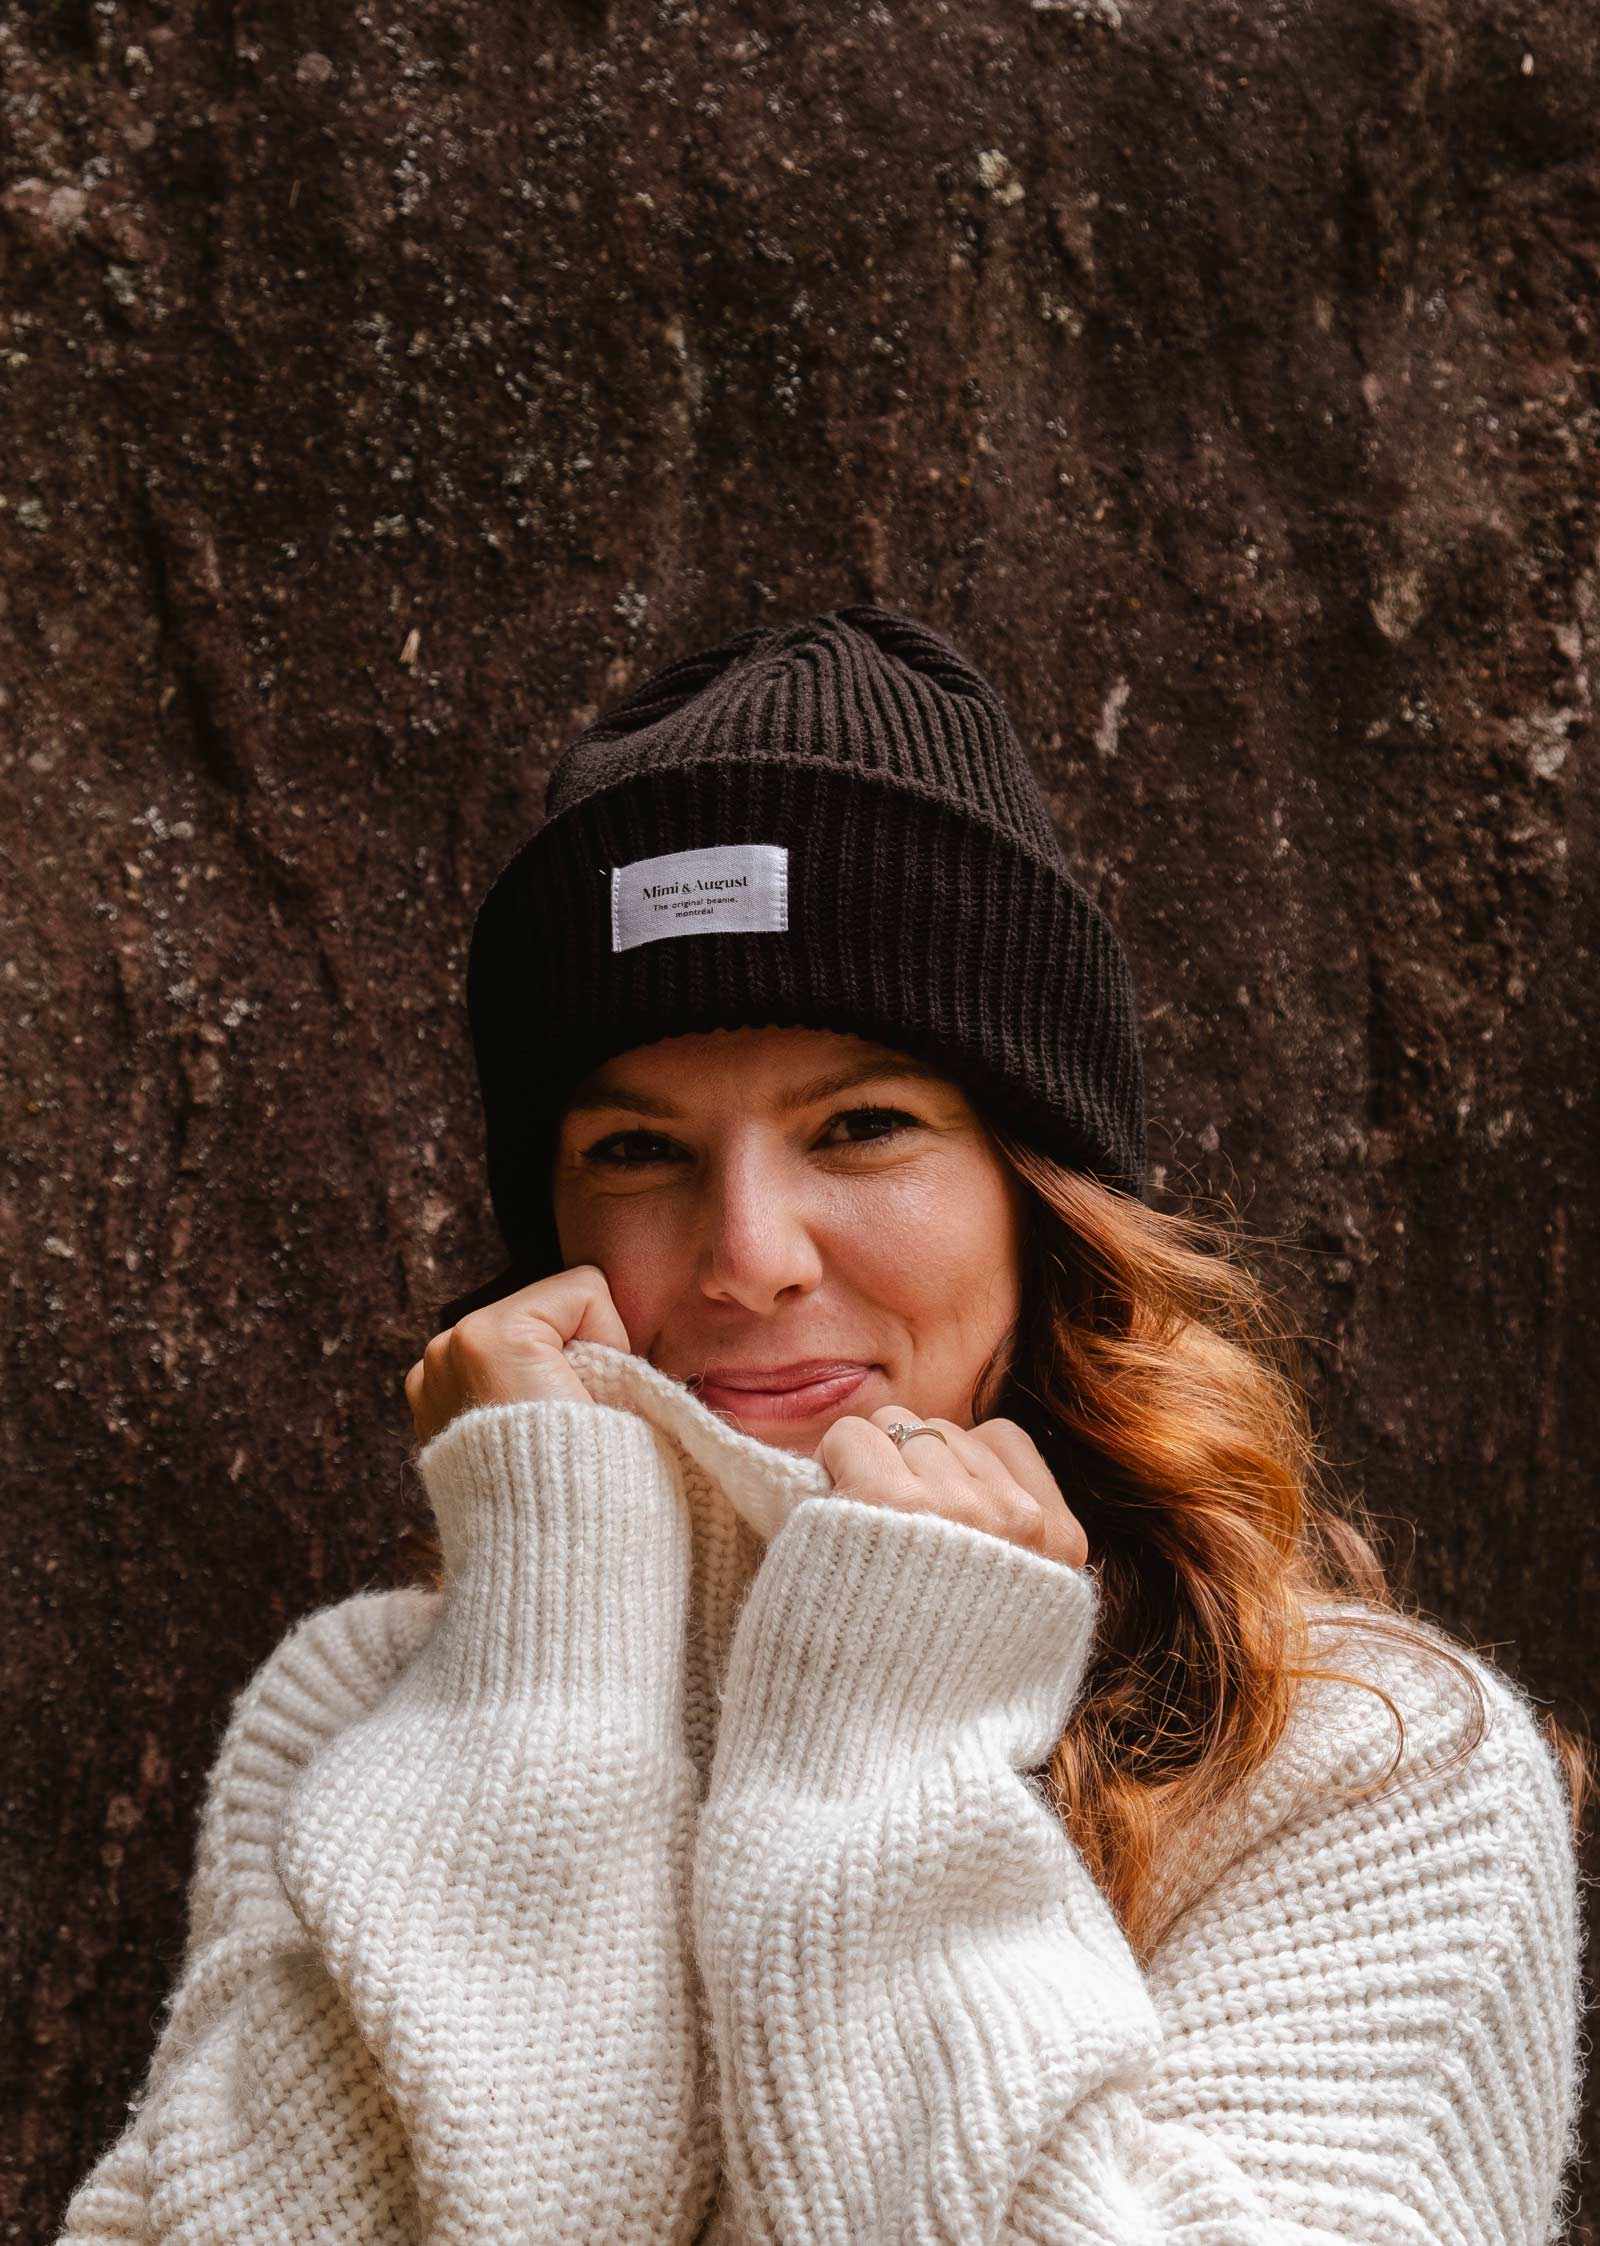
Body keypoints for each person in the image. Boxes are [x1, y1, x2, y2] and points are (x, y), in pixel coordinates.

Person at [58, 605, 1588, 2243]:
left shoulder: (1358, 1760)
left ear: (1040, 1195)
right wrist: (542, 1680)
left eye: (861, 1126)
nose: (746, 1257)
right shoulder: (364, 1707)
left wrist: (883, 1758)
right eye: (638, 1150)